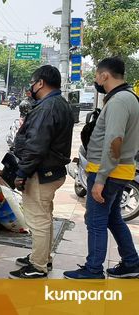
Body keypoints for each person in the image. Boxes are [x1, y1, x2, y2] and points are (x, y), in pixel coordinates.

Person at [64, 57, 139, 279]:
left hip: (109, 172)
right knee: (113, 218)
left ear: (105, 75)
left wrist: (100, 179)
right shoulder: (130, 98)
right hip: (120, 169)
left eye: (97, 75)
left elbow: (114, 141)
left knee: (95, 221)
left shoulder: (118, 102)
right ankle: (132, 262)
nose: (96, 79)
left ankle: (93, 269)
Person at [8, 65, 74, 279]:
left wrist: (21, 173)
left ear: (41, 83)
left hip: (41, 173)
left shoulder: (47, 108)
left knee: (38, 220)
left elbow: (36, 146)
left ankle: (38, 266)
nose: (31, 85)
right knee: (45, 217)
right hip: (52, 171)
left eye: (32, 81)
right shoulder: (60, 103)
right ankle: (43, 257)